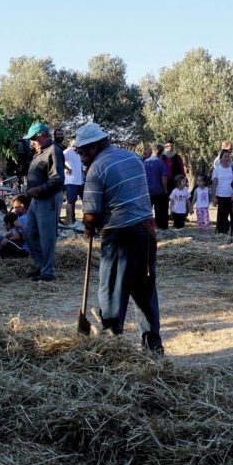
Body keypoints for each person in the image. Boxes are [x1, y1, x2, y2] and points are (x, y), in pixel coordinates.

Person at [75, 122, 162, 354]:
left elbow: (91, 216)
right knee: (145, 292)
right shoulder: (133, 158)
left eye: (82, 152)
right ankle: (153, 347)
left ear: (94, 147)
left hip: (119, 237)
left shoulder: (96, 169)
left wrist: (88, 228)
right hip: (146, 233)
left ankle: (112, 347)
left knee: (112, 293)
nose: (82, 158)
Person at [23, 122, 66, 281]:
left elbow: (58, 179)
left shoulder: (53, 151)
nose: (31, 142)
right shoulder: (38, 152)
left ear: (42, 135)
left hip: (48, 198)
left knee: (47, 237)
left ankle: (48, 272)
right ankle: (40, 264)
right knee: (29, 233)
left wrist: (39, 189)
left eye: (33, 138)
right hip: (36, 200)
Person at [211, 148, 233, 236]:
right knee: (222, 216)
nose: (227, 158)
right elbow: (214, 183)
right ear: (221, 158)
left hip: (232, 196)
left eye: (228, 156)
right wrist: (214, 196)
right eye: (225, 156)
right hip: (221, 196)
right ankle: (221, 232)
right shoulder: (217, 169)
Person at [145, 144, 170, 230]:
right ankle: (161, 227)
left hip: (147, 191)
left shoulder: (145, 162)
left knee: (147, 212)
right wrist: (165, 189)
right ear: (162, 152)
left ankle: (147, 227)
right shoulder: (161, 163)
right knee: (161, 212)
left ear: (153, 150)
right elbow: (164, 178)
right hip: (159, 191)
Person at [63, 138, 84, 225]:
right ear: (70, 143)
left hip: (81, 181)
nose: (75, 146)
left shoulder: (79, 153)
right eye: (73, 144)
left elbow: (81, 164)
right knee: (71, 201)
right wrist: (67, 168)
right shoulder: (66, 152)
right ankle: (70, 221)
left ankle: (84, 221)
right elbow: (59, 161)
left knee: (85, 201)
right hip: (71, 181)